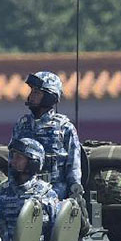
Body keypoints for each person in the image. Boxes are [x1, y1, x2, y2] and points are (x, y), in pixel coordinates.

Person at [11, 71, 81, 200]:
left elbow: (73, 165)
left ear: (49, 96)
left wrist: (74, 191)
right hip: (24, 193)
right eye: (32, 91)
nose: (31, 96)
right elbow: (12, 161)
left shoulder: (64, 128)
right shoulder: (22, 125)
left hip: (55, 193)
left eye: (37, 92)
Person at [0, 137, 60, 241]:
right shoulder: (4, 191)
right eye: (13, 157)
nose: (14, 161)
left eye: (19, 157)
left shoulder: (46, 194)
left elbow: (55, 231)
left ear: (33, 162)